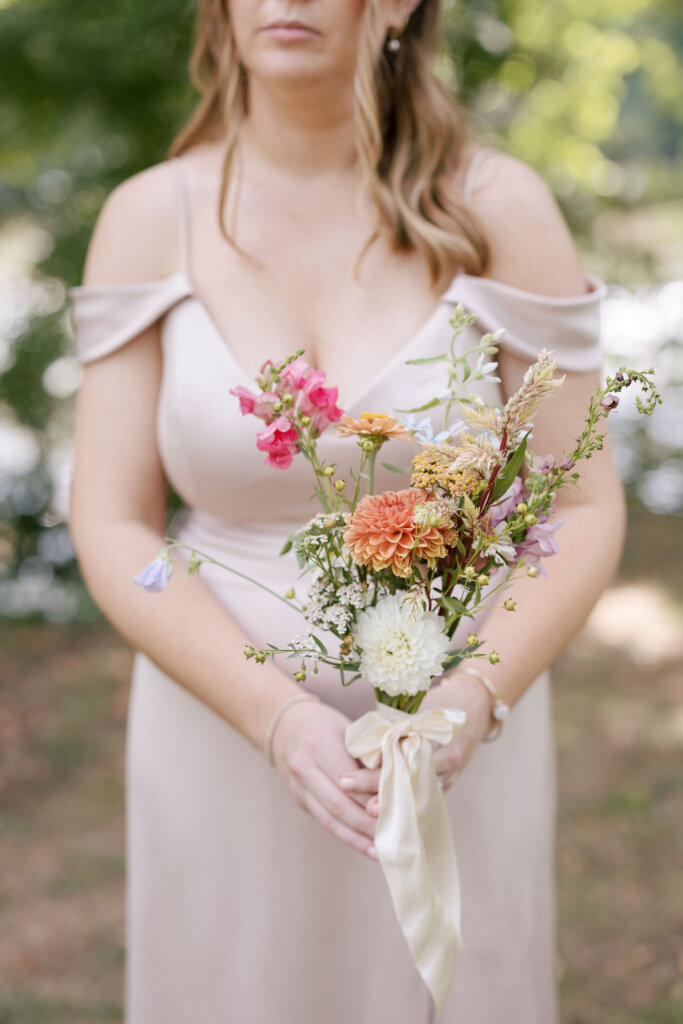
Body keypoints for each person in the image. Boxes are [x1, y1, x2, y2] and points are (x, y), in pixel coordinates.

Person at [67, 0, 626, 1021]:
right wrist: (273, 716)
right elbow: (111, 524)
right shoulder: (151, 217)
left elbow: (579, 504)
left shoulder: (497, 207)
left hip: (454, 748)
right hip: (216, 734)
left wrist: (471, 699)